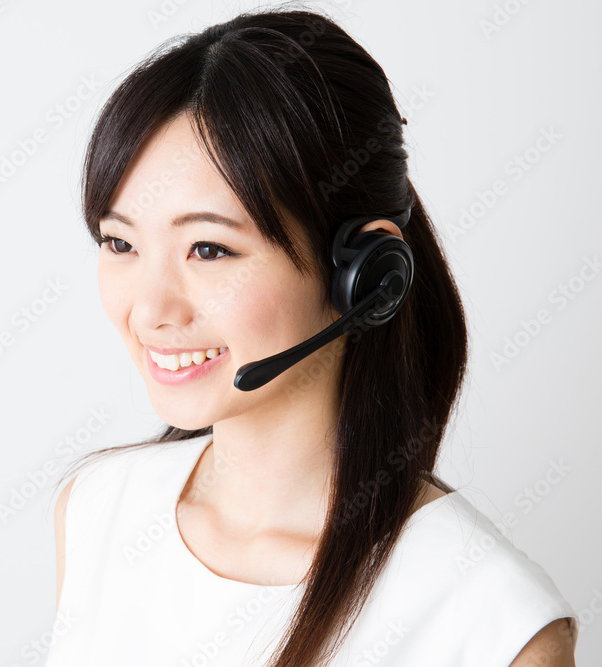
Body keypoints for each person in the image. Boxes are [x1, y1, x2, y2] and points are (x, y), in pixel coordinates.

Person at [44, 6, 579, 666]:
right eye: (120, 242)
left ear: (366, 276)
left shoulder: (493, 622)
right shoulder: (98, 510)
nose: (150, 308)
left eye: (209, 249)